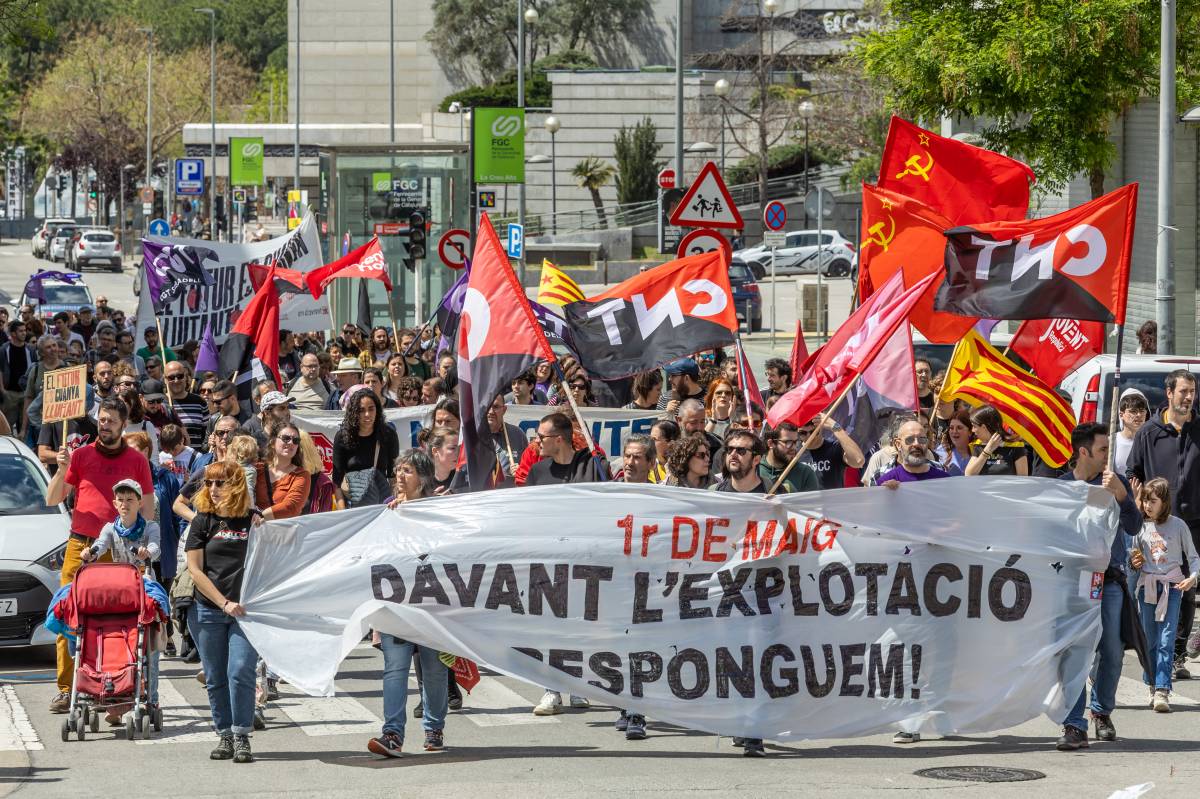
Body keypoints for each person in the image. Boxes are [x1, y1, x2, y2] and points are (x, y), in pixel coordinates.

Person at [44, 398, 154, 712]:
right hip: (81, 547)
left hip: (121, 548)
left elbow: (148, 509)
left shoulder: (137, 460)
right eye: (102, 420)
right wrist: (62, 469)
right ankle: (67, 689)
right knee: (69, 614)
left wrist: (141, 544)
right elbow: (52, 498)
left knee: (121, 620)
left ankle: (119, 684)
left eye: (111, 421)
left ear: (124, 424)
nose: (104, 425)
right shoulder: (80, 455)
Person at [1055, 423, 1141, 750]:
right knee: (1076, 653)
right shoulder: (1062, 487)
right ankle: (1074, 724)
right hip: (1073, 583)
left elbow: (1133, 526)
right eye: (1103, 449)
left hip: (1110, 581)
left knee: (1112, 652)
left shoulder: (1114, 482)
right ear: (1083, 451)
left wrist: (1122, 496)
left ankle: (1101, 712)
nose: (1108, 455)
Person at [367, 450, 450, 757]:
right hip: (397, 604)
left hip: (432, 604)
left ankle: (434, 728)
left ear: (423, 478)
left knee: (434, 669)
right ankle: (392, 734)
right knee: (395, 669)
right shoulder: (388, 512)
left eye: (408, 471)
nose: (400, 476)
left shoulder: (437, 512)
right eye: (399, 470)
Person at [1126, 369, 1200, 676]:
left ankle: (1177, 653)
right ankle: (1155, 650)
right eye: (1183, 391)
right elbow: (1133, 471)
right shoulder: (1149, 432)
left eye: (1192, 391)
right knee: (1157, 586)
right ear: (1169, 393)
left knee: (1187, 587)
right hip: (1158, 523)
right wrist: (1140, 497)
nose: (1189, 397)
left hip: (1194, 520)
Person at [186, 461, 260, 763]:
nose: (213, 489)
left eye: (220, 483)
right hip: (208, 610)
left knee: (240, 670)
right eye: (209, 483)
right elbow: (195, 570)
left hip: (245, 612)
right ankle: (225, 734)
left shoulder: (251, 520)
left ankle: (242, 735)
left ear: (236, 485)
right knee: (216, 676)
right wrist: (222, 602)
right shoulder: (203, 520)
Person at [707, 429, 770, 757]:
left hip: (764, 591)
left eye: (741, 450)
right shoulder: (715, 494)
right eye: (729, 448)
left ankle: (754, 729)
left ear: (756, 459)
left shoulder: (774, 493)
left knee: (756, 658)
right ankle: (739, 719)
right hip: (726, 590)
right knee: (731, 659)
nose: (733, 454)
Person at [1131, 478, 1198, 714]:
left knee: (1167, 639)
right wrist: (1133, 561)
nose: (1147, 505)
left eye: (1153, 501)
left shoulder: (1178, 526)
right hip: (1148, 587)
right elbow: (1132, 556)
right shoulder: (1140, 527)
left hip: (1173, 587)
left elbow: (1193, 557)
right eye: (1145, 500)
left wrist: (1193, 578)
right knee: (1149, 639)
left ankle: (1162, 690)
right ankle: (1151, 683)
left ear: (1164, 502)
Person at [332, 387, 398, 507]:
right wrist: (342, 511)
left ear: (377, 409)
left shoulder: (388, 434)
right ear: (354, 412)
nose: (367, 415)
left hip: (382, 502)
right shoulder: (342, 437)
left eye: (371, 409)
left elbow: (393, 476)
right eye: (361, 410)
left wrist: (394, 503)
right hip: (353, 504)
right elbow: (337, 481)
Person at [254, 423, 314, 521]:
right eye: (286, 438)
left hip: (282, 529)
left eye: (296, 440)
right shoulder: (257, 469)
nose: (291, 443)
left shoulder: (301, 475)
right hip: (254, 528)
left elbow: (291, 507)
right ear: (272, 442)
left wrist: (260, 516)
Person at [797, 413, 866, 490]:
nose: (809, 436)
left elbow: (858, 460)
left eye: (814, 432)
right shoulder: (794, 453)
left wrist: (835, 426)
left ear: (821, 428)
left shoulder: (834, 448)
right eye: (802, 433)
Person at [877, 419, 951, 486]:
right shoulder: (885, 482)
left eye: (922, 439)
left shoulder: (944, 480)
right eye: (910, 440)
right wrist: (886, 493)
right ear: (898, 444)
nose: (916, 444)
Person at [963, 405, 1029, 476]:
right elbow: (968, 474)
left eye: (974, 426)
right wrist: (987, 451)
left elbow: (1023, 479)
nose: (972, 430)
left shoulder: (1015, 447)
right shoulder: (978, 446)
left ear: (984, 427)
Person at [759, 422, 819, 493]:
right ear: (771, 443)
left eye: (795, 442)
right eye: (788, 442)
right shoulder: (754, 472)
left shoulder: (805, 473)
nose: (794, 447)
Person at [163, 361, 207, 447]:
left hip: (195, 455)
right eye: (171, 377)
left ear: (185, 377)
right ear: (165, 379)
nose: (176, 380)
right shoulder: (160, 403)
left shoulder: (199, 402)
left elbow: (206, 434)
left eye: (180, 376)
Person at [1114, 389, 1150, 476]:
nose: (1138, 415)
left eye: (1142, 411)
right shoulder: (1112, 441)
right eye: (1133, 411)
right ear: (1121, 415)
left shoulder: (1151, 441)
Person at [936, 409, 973, 476]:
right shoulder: (941, 451)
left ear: (970, 432)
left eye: (959, 428)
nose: (954, 431)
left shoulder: (978, 451)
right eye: (951, 428)